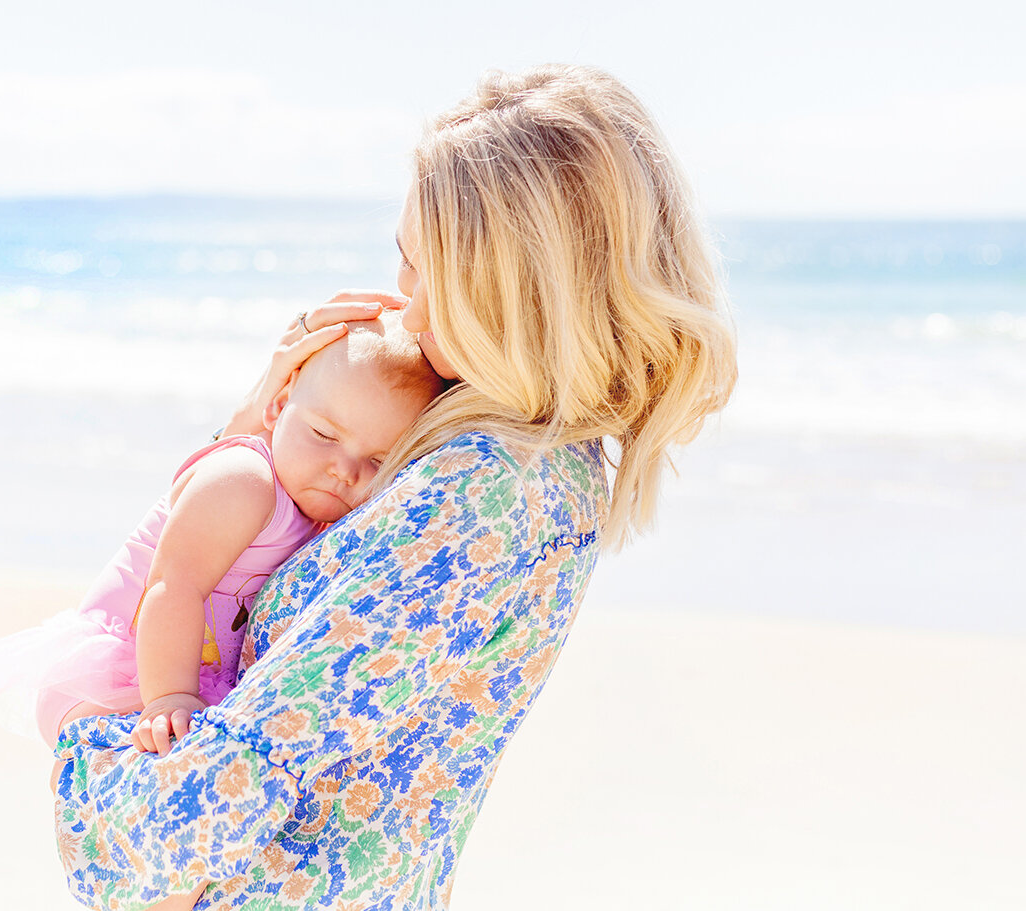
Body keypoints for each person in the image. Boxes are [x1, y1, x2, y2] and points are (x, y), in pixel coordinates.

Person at [52, 64, 737, 910]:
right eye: (403, 264)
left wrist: (77, 731)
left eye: (431, 275)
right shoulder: (532, 457)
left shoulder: (480, 490)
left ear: (516, 292)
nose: (406, 312)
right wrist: (264, 419)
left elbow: (187, 821)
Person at [0, 311, 444, 762]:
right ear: (278, 406)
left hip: (183, 672)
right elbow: (174, 584)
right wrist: (168, 696)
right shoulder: (246, 479)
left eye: (378, 461)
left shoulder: (315, 506)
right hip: (123, 666)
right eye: (324, 434)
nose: (344, 469)